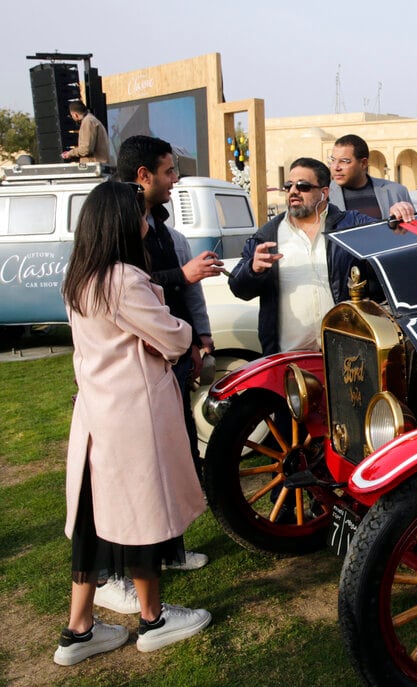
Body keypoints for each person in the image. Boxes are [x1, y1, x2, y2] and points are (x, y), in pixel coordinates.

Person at [54, 181, 211, 666]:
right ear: (121, 222)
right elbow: (173, 338)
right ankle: (154, 620)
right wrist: (176, 326)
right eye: (139, 214)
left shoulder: (79, 277)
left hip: (97, 413)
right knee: (142, 514)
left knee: (93, 521)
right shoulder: (122, 278)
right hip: (133, 415)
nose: (147, 221)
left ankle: (79, 629)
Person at [91, 136, 220, 617]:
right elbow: (138, 299)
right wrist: (182, 311)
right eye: (169, 172)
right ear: (142, 176)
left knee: (174, 460)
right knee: (136, 485)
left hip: (154, 378)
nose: (175, 181)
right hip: (128, 392)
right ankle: (126, 585)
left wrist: (198, 337)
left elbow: (177, 306)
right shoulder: (116, 255)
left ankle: (166, 551)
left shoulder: (160, 228)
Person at [231, 157, 406, 354]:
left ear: (324, 192)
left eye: (303, 186)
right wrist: (253, 270)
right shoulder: (267, 236)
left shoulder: (350, 226)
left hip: (347, 355)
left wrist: (397, 216)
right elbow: (238, 288)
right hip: (290, 358)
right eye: (288, 186)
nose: (293, 192)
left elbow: (390, 240)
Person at [327, 134, 414, 220]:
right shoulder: (323, 196)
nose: (335, 167)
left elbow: (412, 231)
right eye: (333, 160)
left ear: (363, 163)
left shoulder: (396, 192)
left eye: (344, 161)